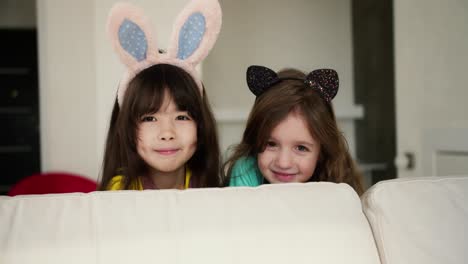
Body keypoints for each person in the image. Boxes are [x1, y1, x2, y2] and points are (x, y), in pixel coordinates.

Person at [99, 0, 222, 190]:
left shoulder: (209, 188)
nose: (167, 133)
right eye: (149, 118)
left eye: (182, 117)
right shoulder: (118, 195)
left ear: (201, 125)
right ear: (127, 129)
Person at [224, 65, 364, 195]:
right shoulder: (246, 170)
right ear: (255, 137)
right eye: (271, 144)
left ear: (322, 151)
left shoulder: (335, 180)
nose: (283, 163)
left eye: (301, 148)